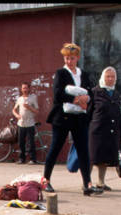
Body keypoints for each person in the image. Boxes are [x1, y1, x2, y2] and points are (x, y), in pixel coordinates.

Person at [41, 43, 99, 196]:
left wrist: (86, 98)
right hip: (62, 117)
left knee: (83, 151)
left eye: (72, 58)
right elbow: (58, 94)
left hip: (79, 118)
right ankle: (45, 180)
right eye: (66, 58)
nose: (69, 61)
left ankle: (87, 183)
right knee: (55, 148)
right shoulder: (61, 73)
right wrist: (75, 100)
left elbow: (91, 92)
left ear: (77, 58)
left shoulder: (84, 74)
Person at [87, 66, 121, 193]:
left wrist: (119, 133)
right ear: (103, 77)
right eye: (108, 76)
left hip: (111, 131)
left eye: (113, 77)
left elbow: (119, 113)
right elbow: (88, 112)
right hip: (96, 131)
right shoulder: (95, 92)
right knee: (92, 157)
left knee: (104, 158)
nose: (110, 79)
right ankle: (86, 182)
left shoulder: (116, 94)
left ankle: (101, 183)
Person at [12, 82, 40, 164]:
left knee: (31, 142)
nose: (24, 90)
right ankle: (21, 159)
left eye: (26, 88)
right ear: (21, 89)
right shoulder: (19, 99)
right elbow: (13, 109)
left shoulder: (33, 97)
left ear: (29, 89)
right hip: (21, 123)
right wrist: (17, 115)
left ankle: (32, 159)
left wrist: (29, 107)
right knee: (21, 142)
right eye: (23, 88)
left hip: (30, 123)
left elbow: (37, 111)